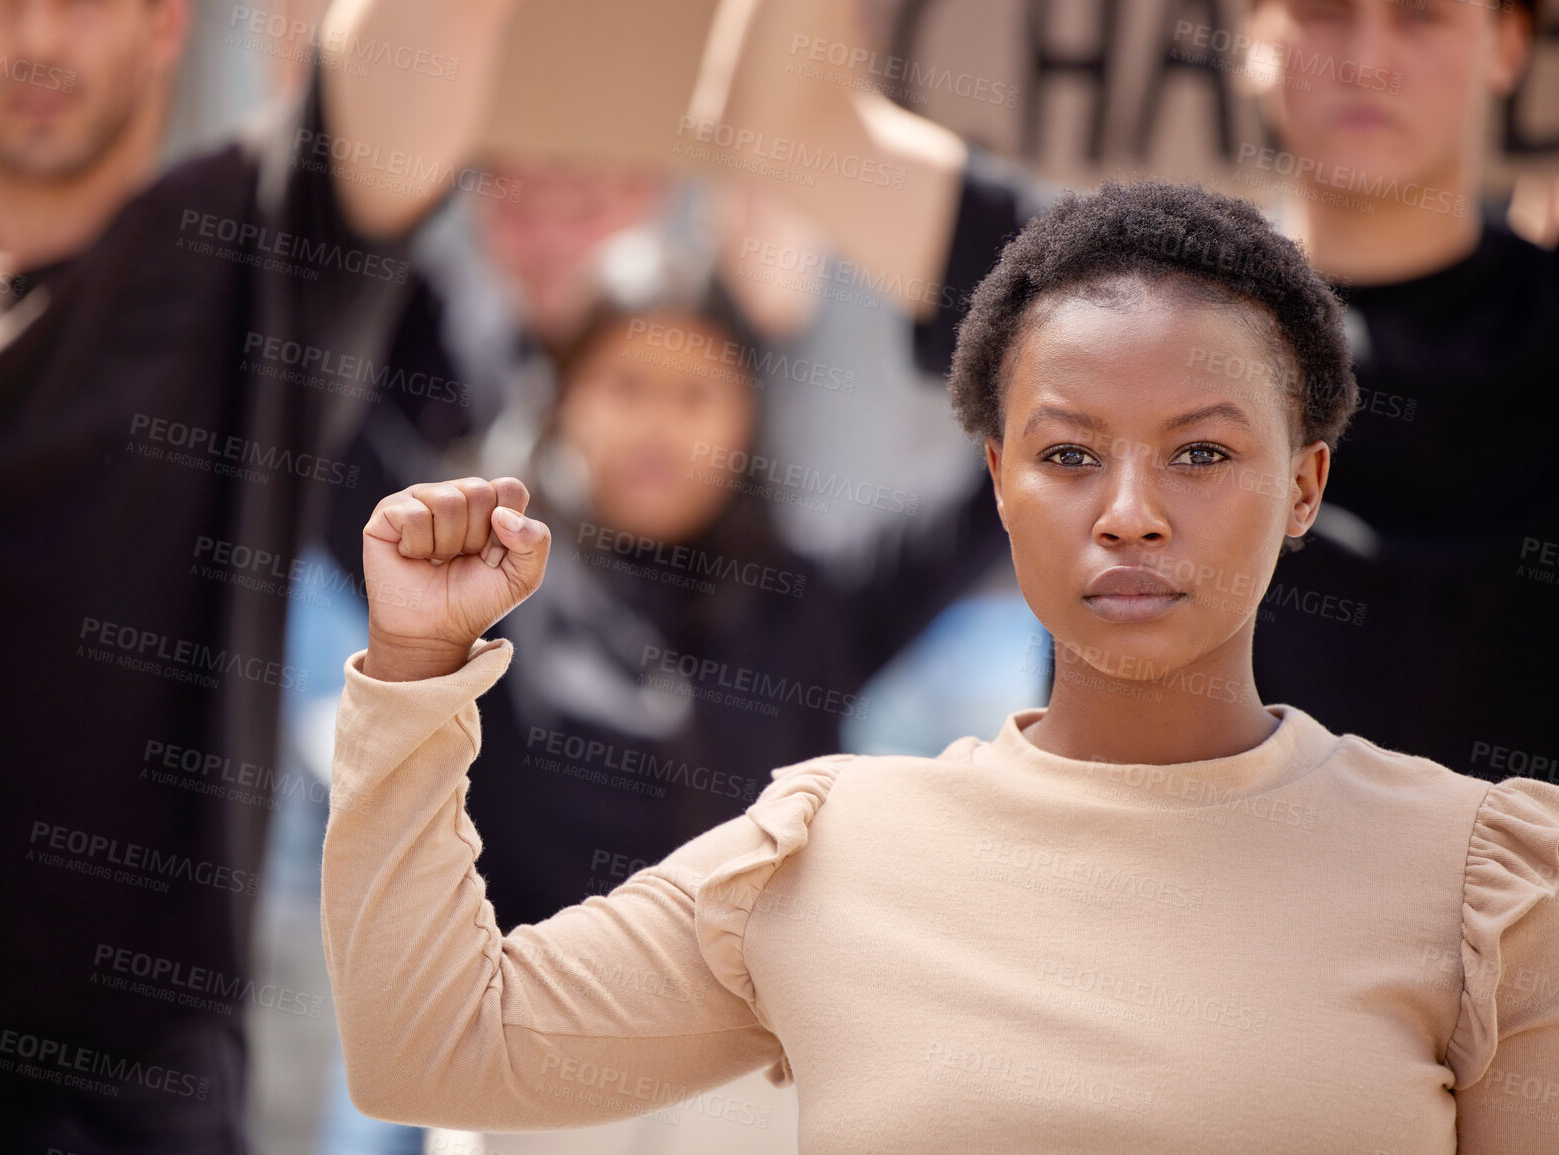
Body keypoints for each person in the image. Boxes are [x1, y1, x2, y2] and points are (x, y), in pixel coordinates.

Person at [321, 182, 1559, 1149]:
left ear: (1304, 485)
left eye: (1200, 455)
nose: (1129, 511)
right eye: (1069, 454)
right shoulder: (823, 858)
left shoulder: (1484, 886)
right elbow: (430, 1048)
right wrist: (418, 675)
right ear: (998, 485)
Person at [0, 0, 518, 1148]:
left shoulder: (253, 252)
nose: (41, 41)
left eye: (85, 4)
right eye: (1, 3)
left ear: (164, 28)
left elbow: (430, 37)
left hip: (125, 1114)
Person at [333, 289, 1009, 932]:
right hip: (521, 1026)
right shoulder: (482, 585)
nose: (658, 425)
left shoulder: (807, 605)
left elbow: (1002, 483)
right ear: (563, 401)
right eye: (626, 385)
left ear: (747, 416)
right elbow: (319, 419)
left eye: (694, 394)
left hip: (753, 1038)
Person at [1232, 0, 1559, 780]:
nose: (1367, 61)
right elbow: (875, 152)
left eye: (1420, 15)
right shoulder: (1126, 309)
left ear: (1505, 44)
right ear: (1252, 33)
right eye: (1322, 11)